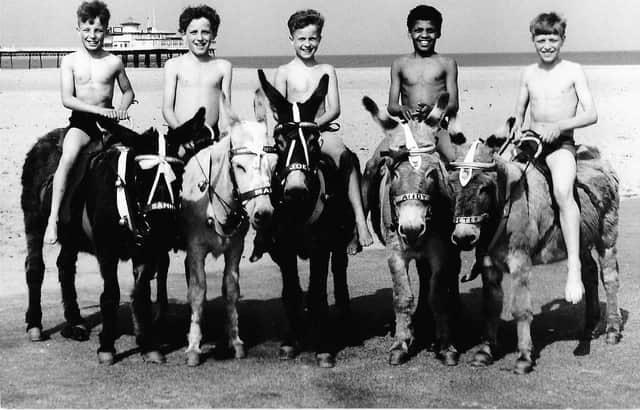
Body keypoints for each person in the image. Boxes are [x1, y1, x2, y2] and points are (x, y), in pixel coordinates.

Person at [270, 9, 373, 255]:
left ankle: (359, 220)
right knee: (268, 164)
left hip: (319, 132)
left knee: (345, 156)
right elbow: (277, 109)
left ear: (320, 39)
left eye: (312, 38)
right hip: (293, 135)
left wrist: (313, 125)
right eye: (302, 38)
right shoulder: (283, 72)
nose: (307, 44)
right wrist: (293, 127)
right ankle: (267, 228)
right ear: (291, 39)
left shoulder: (326, 69)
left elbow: (335, 108)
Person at [513, 12, 597, 304]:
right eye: (541, 39)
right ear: (533, 40)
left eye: (552, 39)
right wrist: (515, 129)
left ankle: (573, 265)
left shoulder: (573, 70)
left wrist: (559, 127)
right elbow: (519, 112)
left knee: (563, 191)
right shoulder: (528, 73)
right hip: (531, 143)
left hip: (561, 144)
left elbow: (591, 114)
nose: (546, 45)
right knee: (503, 186)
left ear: (562, 39)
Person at [44, 0, 134, 244]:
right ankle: (53, 219)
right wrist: (97, 111)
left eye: (98, 30)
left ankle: (136, 220)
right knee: (69, 156)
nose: (92, 35)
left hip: (109, 124)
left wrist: (122, 109)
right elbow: (67, 99)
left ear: (106, 29)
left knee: (134, 159)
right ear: (78, 29)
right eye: (87, 29)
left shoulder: (114, 61)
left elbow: (128, 91)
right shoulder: (70, 61)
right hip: (82, 123)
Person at [387, 4, 462, 161]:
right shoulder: (399, 64)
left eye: (430, 30)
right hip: (407, 128)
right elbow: (391, 106)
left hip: (436, 128)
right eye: (418, 30)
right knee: (373, 164)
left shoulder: (447, 63)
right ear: (410, 33)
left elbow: (454, 105)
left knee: (454, 161)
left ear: (439, 33)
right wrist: (402, 108)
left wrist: (433, 110)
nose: (424, 35)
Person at [162, 5, 231, 140]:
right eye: (193, 32)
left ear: (214, 34)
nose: (199, 38)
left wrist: (225, 136)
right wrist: (181, 133)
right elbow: (167, 109)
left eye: (205, 32)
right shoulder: (173, 65)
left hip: (210, 136)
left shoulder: (224, 67)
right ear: (183, 34)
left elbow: (225, 110)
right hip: (179, 134)